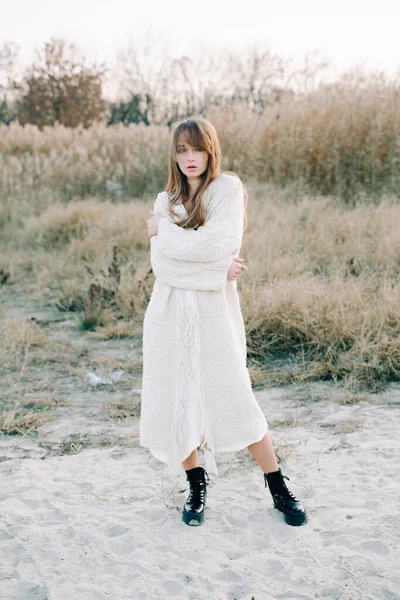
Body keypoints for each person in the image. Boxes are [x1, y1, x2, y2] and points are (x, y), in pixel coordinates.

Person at [140, 116, 307, 527]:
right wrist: (215, 271)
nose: (189, 157)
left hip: (214, 313)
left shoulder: (227, 189)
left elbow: (220, 242)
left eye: (196, 148)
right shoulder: (166, 201)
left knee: (234, 392)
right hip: (169, 312)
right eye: (181, 150)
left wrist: (170, 236)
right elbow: (162, 264)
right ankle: (196, 485)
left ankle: (278, 486)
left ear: (210, 150)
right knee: (178, 398)